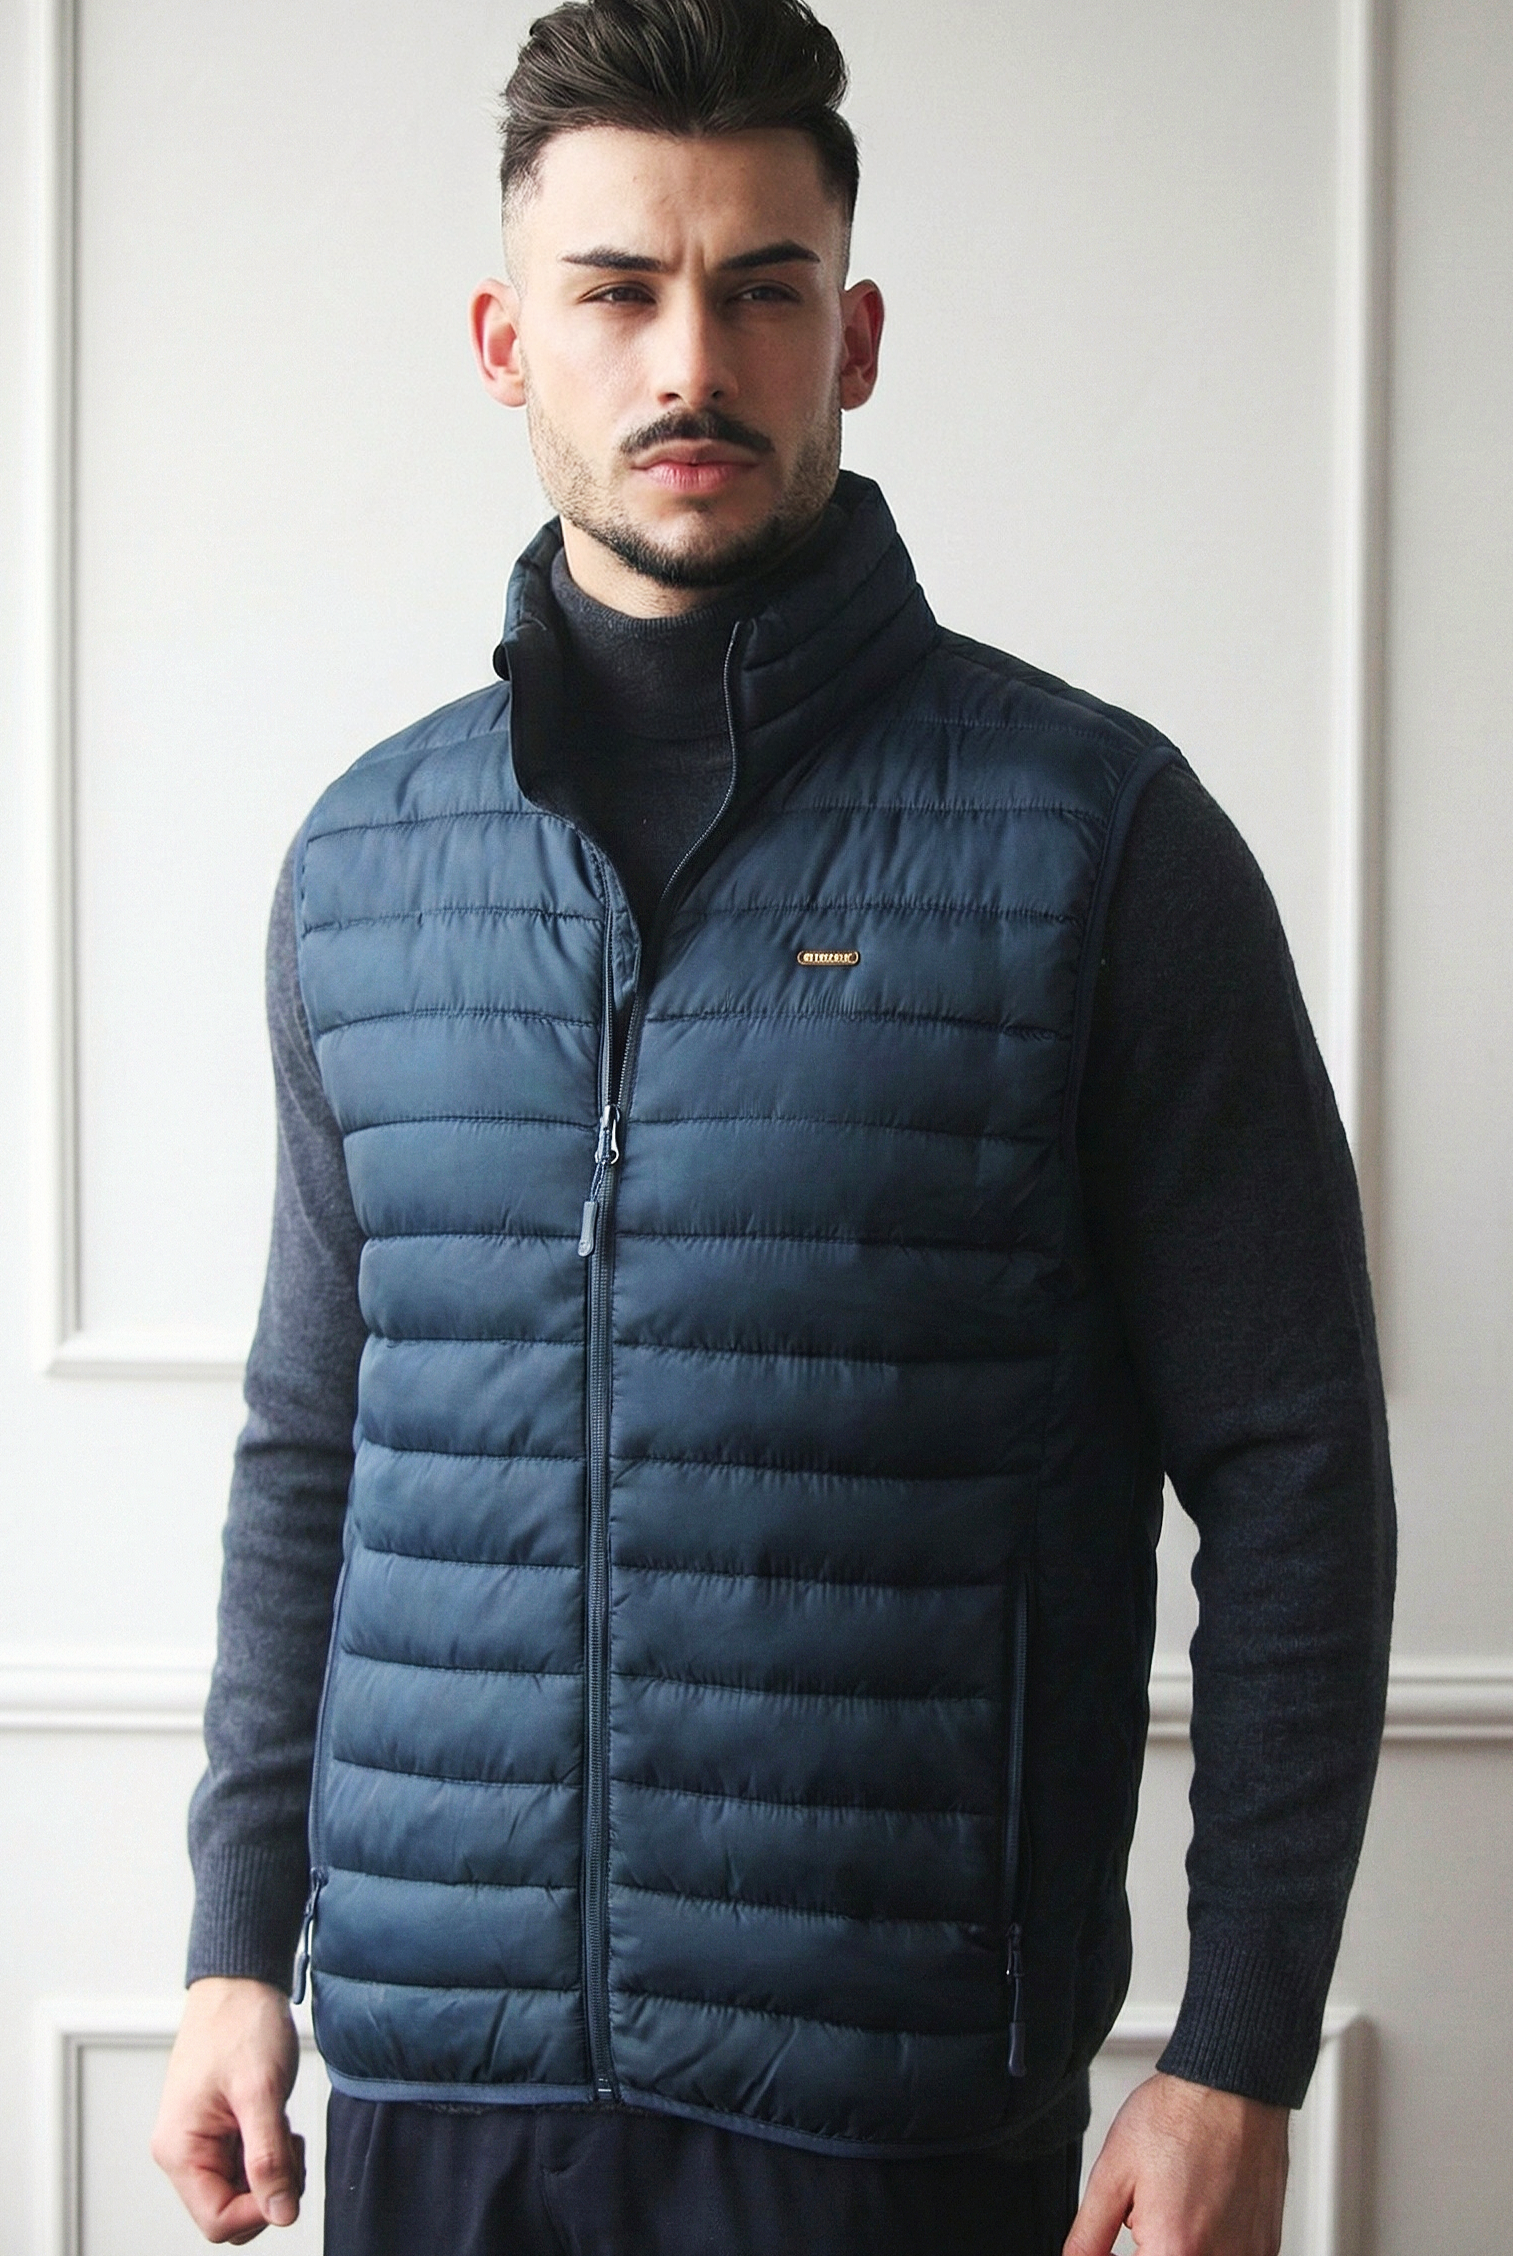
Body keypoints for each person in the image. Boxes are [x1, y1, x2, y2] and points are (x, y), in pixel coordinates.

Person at [152, 3, 1395, 2251]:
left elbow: (1296, 1462)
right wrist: (239, 1943)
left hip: (886, 2106)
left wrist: (1240, 2048)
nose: (689, 363)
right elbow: (313, 1448)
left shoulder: (1100, 843)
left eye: (760, 288)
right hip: (436, 2089)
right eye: (618, 290)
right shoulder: (364, 864)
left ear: (860, 335)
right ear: (506, 340)